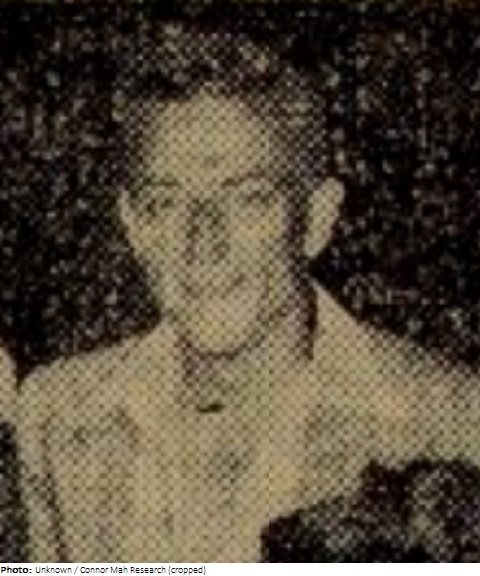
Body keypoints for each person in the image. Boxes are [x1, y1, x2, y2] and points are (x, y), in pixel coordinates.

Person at [17, 23, 480, 562]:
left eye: (249, 199)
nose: (203, 243)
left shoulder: (450, 421)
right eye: (166, 203)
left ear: (317, 219)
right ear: (133, 224)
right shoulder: (57, 414)